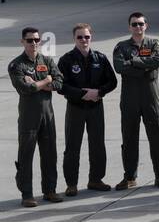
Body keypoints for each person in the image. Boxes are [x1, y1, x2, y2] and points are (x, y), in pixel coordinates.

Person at [113, 12, 159, 189]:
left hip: (150, 96)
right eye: (134, 24)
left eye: (140, 24)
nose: (137, 27)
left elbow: (156, 61)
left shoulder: (155, 44)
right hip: (130, 97)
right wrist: (144, 67)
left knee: (156, 135)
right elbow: (119, 67)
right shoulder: (121, 46)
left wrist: (133, 62)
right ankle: (129, 176)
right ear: (129, 27)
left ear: (146, 25)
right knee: (129, 136)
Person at [58, 23, 117, 195]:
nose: (84, 40)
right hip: (76, 107)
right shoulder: (66, 60)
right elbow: (60, 85)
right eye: (80, 37)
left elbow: (112, 82)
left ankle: (96, 179)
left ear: (91, 37)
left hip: (96, 107)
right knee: (72, 146)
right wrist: (82, 94)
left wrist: (99, 92)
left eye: (87, 37)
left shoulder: (100, 58)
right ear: (74, 39)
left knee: (97, 144)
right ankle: (71, 184)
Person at [10, 27, 63, 207]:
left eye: (36, 40)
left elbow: (59, 82)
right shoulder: (17, 65)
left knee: (49, 154)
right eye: (30, 40)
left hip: (47, 115)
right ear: (22, 42)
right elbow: (25, 88)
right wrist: (46, 80)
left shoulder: (46, 60)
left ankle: (50, 190)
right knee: (26, 155)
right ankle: (27, 194)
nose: (34, 43)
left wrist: (42, 83)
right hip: (28, 117)